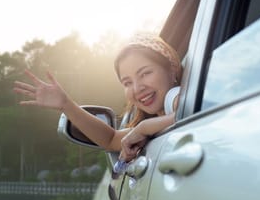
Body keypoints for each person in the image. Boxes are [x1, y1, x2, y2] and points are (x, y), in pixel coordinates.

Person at [13, 34, 181, 164]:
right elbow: (110, 140)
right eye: (127, 82)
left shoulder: (175, 98)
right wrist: (65, 104)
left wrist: (143, 128)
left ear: (172, 70)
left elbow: (186, 114)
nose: (137, 88)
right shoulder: (160, 119)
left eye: (145, 73)